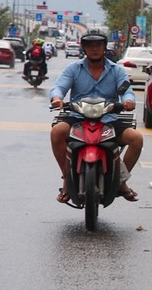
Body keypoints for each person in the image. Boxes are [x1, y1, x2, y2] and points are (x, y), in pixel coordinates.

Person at [49, 32, 143, 203]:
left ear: (104, 47)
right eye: (90, 45)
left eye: (98, 45)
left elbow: (127, 91)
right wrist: (57, 99)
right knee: (56, 132)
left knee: (136, 139)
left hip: (109, 118)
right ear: (83, 48)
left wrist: (128, 101)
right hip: (78, 117)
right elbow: (59, 87)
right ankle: (66, 180)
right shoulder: (73, 69)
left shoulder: (116, 70)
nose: (94, 49)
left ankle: (121, 180)